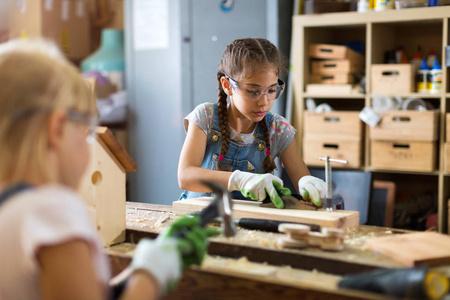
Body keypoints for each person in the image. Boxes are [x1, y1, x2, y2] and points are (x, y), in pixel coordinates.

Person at [0, 39, 217, 300]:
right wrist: (153, 275)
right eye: (87, 129)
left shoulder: (12, 210)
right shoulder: (50, 210)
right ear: (57, 129)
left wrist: (140, 269)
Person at [178, 38, 326, 209]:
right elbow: (185, 176)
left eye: (271, 90)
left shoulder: (278, 129)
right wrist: (240, 180)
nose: (264, 102)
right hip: (196, 222)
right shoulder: (206, 117)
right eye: (253, 91)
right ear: (227, 86)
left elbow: (301, 179)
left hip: (250, 228)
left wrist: (308, 183)